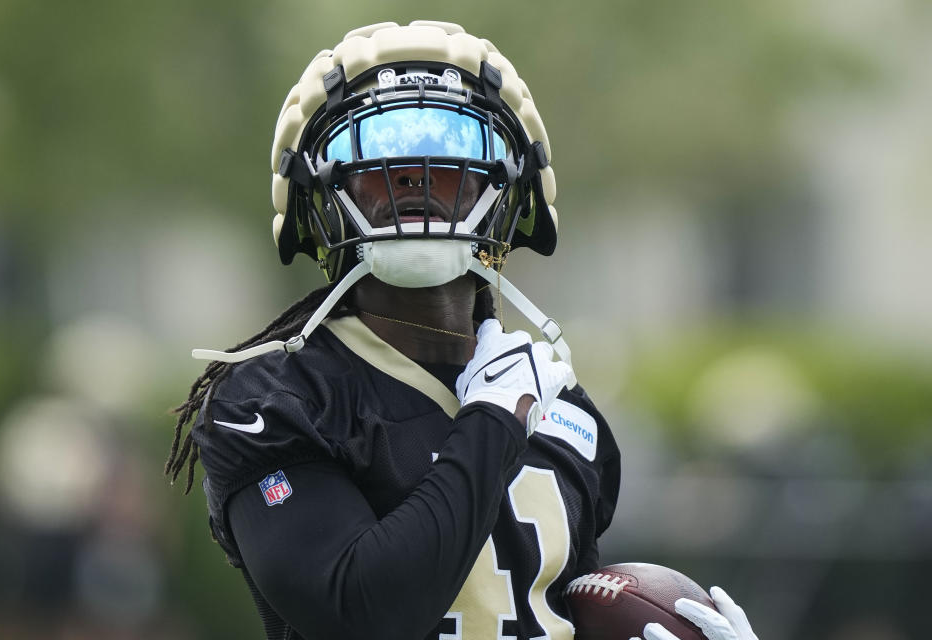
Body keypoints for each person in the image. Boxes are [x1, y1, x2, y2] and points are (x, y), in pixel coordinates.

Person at [166, 20, 759, 640]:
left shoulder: (562, 408)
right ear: (319, 190)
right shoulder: (274, 401)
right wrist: (492, 423)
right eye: (373, 156)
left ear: (506, 185)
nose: (413, 174)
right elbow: (360, 614)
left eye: (451, 151)